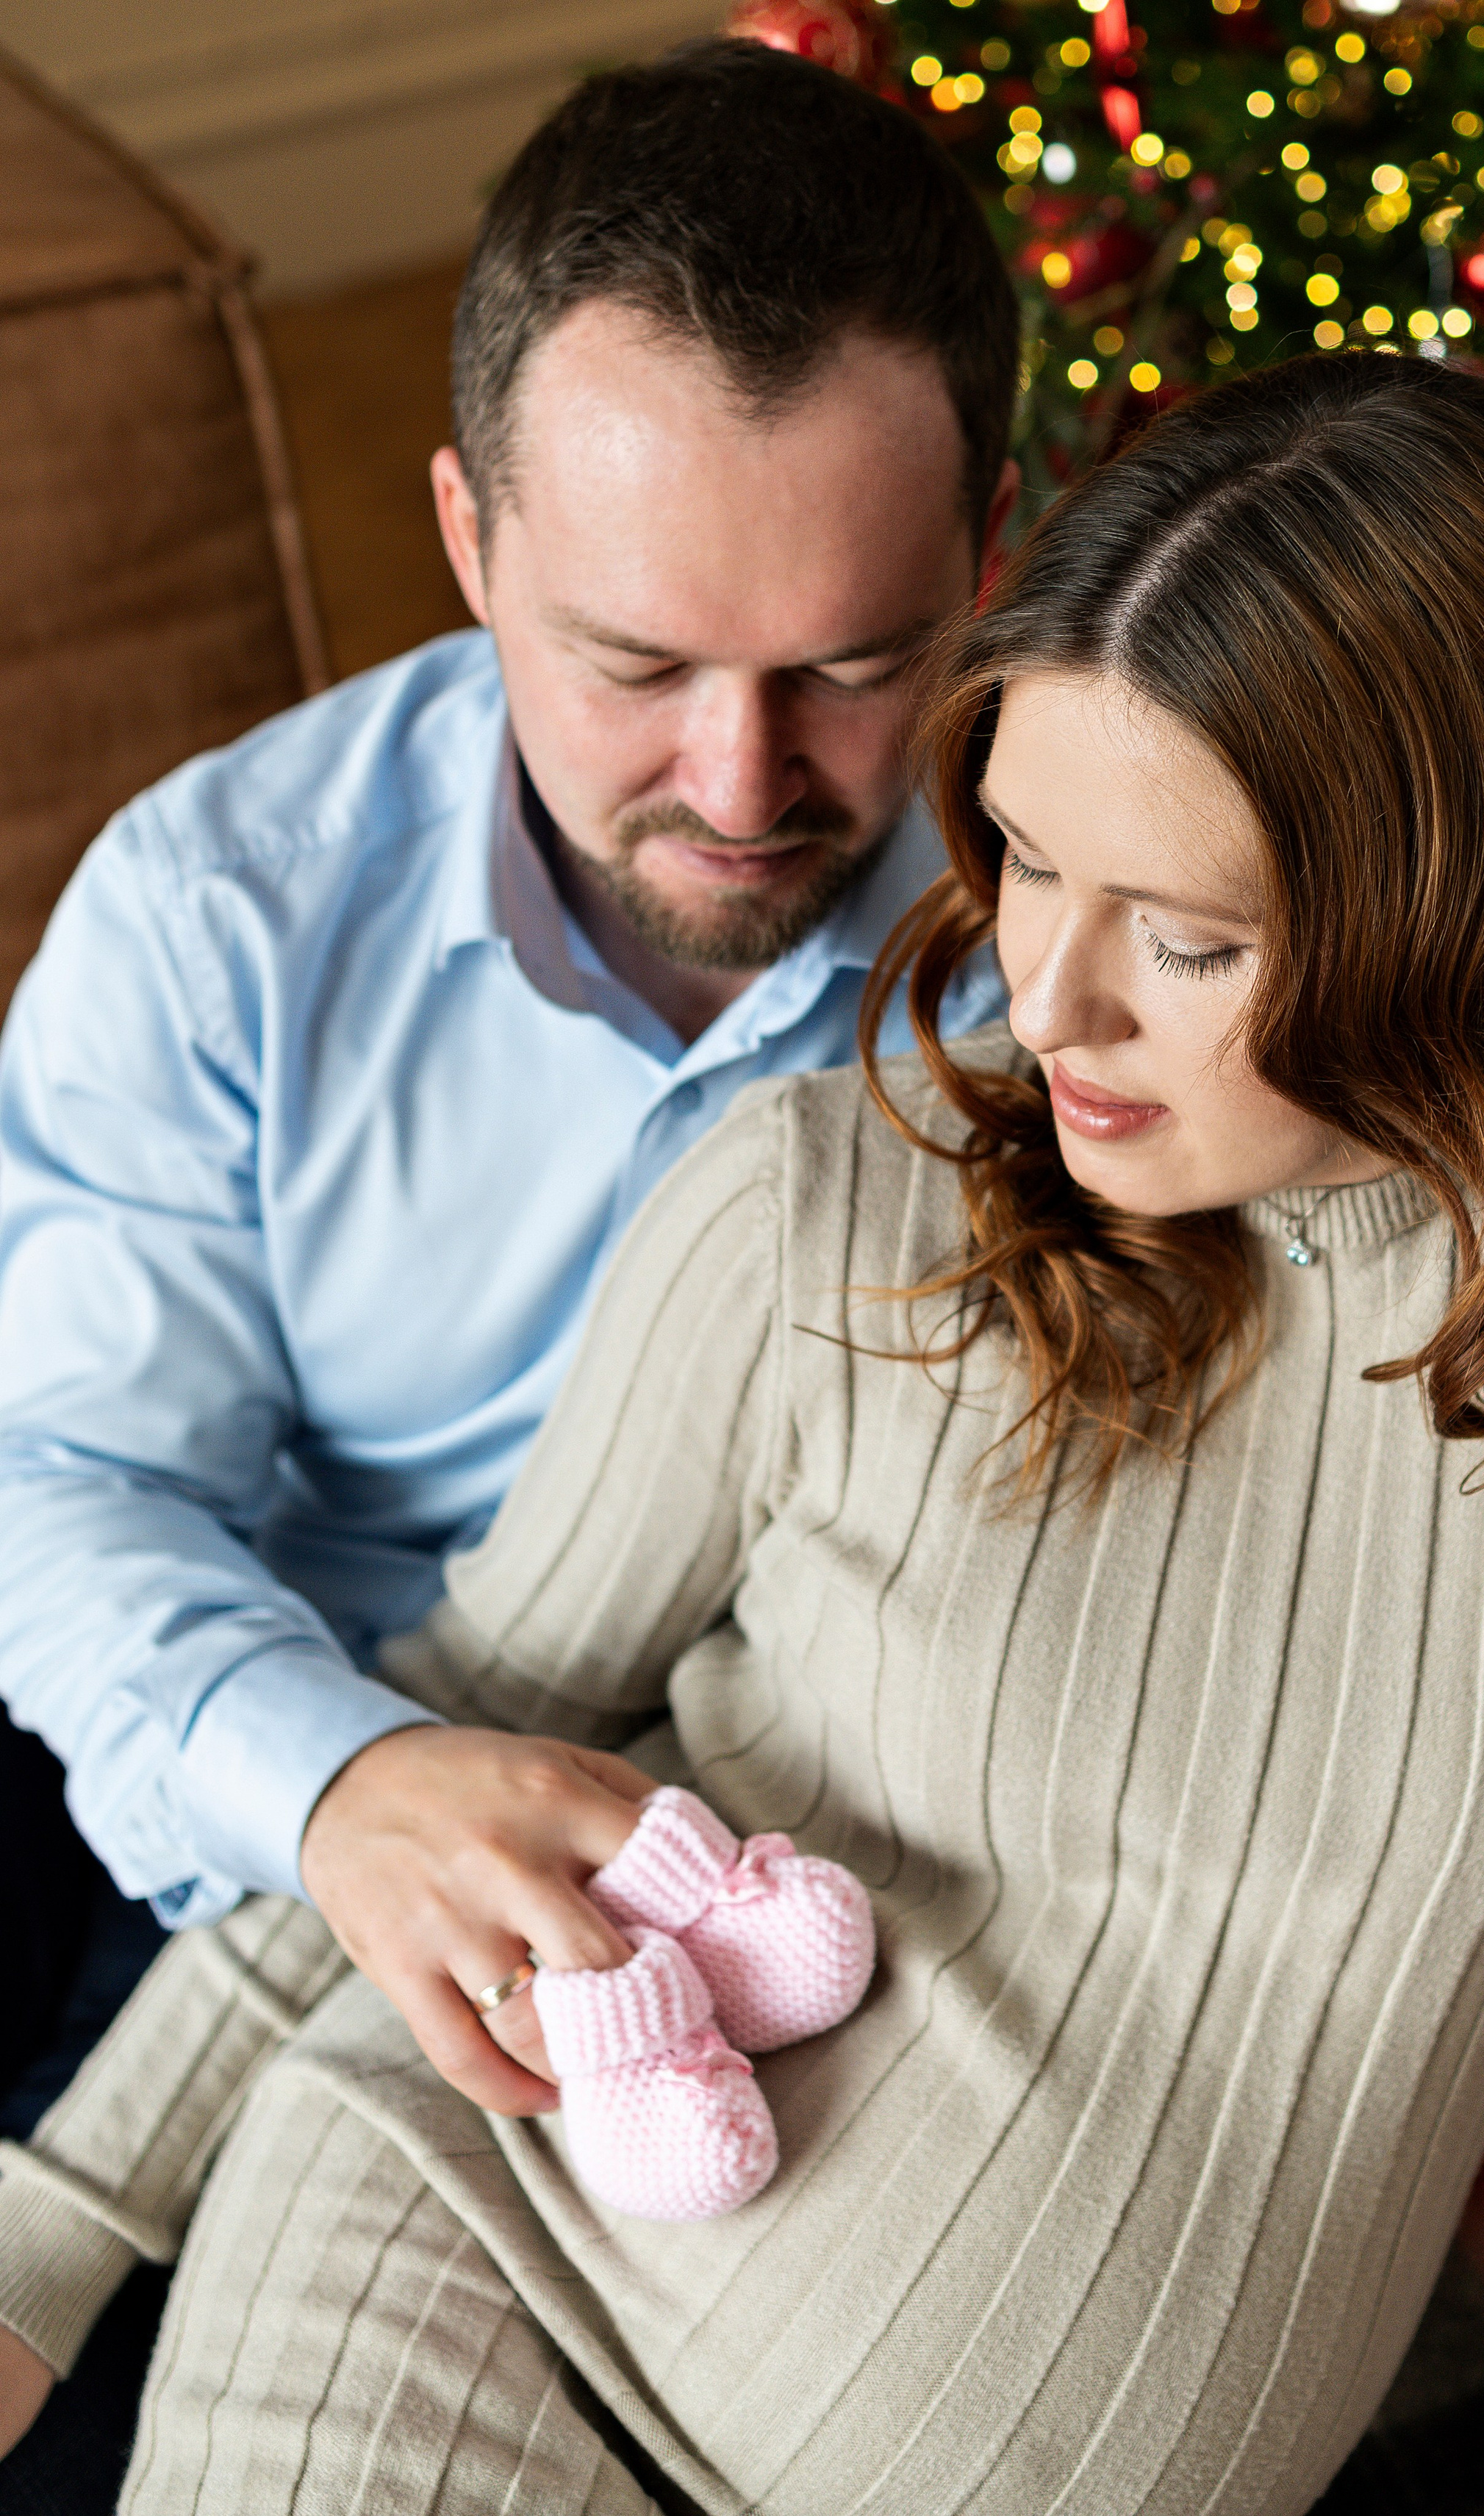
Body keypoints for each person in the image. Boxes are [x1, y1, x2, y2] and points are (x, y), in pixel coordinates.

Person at [5, 350, 1484, 2514]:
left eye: (1185, 940)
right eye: (1018, 859)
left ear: (1478, 906)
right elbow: (460, 1744)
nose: (1047, 1002)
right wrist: (49, 2237)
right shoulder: (821, 1207)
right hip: (463, 2275)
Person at [0, 37, 1014, 2100]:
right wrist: (347, 1786)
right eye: (633, 664)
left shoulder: (1098, 908)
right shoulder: (217, 921)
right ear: (469, 543)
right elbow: (72, 1488)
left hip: (873, 1818)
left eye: (849, 665)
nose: (742, 786)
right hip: (317, 1785)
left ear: (987, 560)